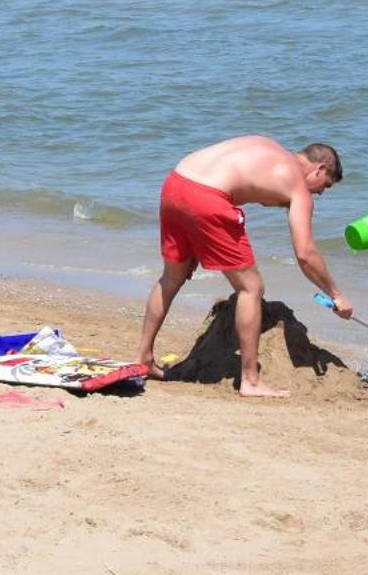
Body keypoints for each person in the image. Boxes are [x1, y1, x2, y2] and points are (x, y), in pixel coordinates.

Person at [134, 137, 351, 397]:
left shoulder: (267, 147)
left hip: (176, 182)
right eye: (324, 186)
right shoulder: (297, 186)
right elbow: (305, 253)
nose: (319, 193)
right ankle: (251, 380)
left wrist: (194, 240)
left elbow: (227, 175)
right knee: (251, 288)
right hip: (207, 197)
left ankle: (143, 360)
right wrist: (336, 294)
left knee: (172, 277)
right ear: (321, 168)